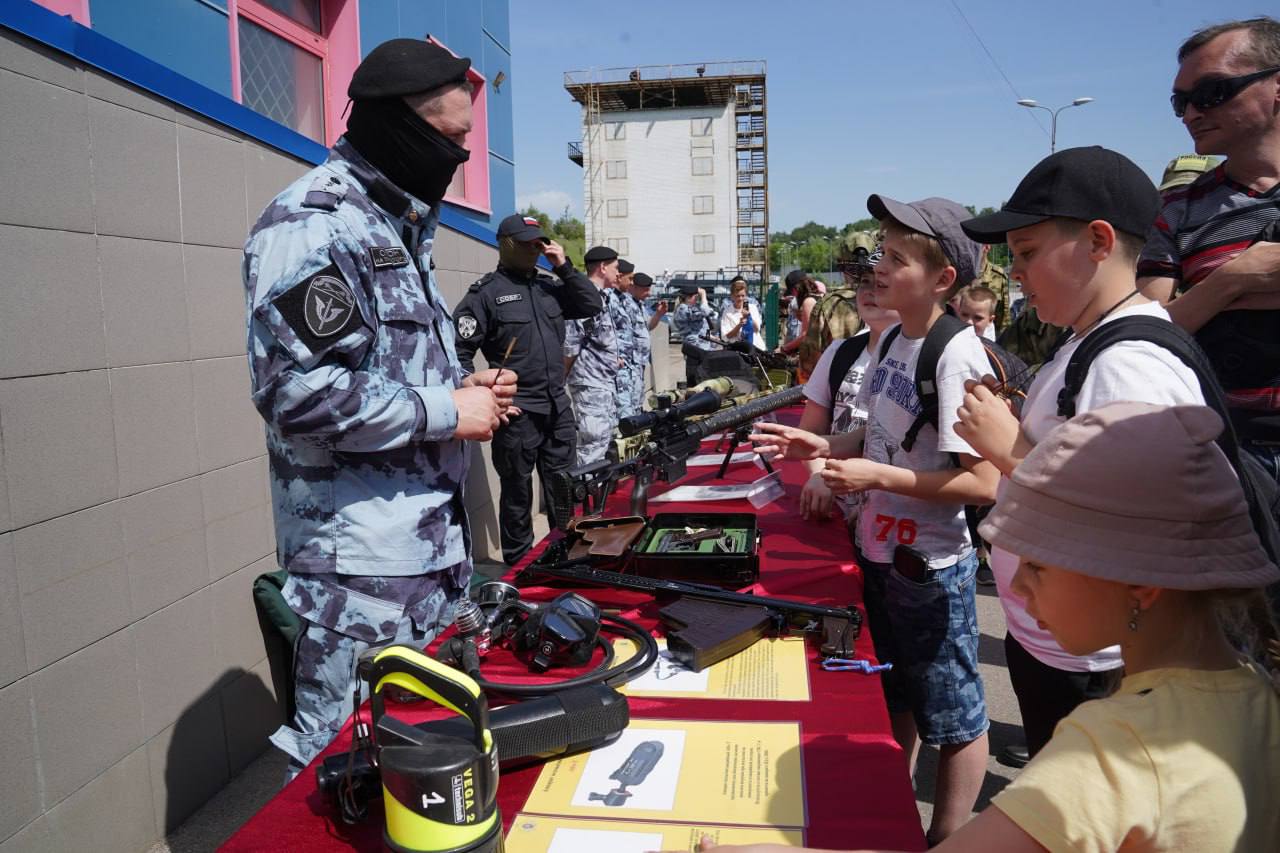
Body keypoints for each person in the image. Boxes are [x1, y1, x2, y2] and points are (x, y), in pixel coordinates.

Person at [667, 402, 1280, 853]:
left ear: (1140, 584)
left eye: (1037, 565)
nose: (1014, 587)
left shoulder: (1118, 746)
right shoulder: (1250, 690)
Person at [243, 39, 517, 776]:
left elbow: (394, 372)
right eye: (453, 138)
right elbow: (297, 394)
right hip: (360, 584)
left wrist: (469, 391)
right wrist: (445, 411)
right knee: (352, 780)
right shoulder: (315, 224)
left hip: (432, 570)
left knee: (431, 771)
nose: (461, 157)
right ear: (401, 126)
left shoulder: (399, 225)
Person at [754, 196, 997, 844]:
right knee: (898, 694)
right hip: (882, 554)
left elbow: (983, 480)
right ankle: (897, 806)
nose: (878, 269)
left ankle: (945, 837)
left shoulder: (955, 356)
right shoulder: (894, 338)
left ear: (943, 279)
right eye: (880, 254)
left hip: (930, 568)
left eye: (896, 258)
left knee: (956, 717)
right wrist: (827, 447)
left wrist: (877, 477)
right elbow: (879, 429)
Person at [957, 146, 1206, 762]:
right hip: (1059, 639)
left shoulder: (1128, 364)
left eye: (1027, 253)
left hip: (1094, 656)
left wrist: (1008, 446)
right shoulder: (1091, 343)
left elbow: (1131, 520)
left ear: (1098, 241)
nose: (1015, 274)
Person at [1138, 16, 1280, 478]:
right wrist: (1234, 281)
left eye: (1211, 92)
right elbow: (1146, 331)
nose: (1190, 113)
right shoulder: (1177, 208)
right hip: (1229, 454)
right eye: (1180, 101)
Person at [452, 214, 602, 565]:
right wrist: (487, 398)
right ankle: (520, 569)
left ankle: (566, 558)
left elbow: (591, 304)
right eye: (525, 243)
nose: (533, 250)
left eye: (537, 243)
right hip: (518, 413)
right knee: (518, 496)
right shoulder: (486, 294)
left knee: (564, 489)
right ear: (505, 244)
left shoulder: (549, 286)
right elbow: (457, 351)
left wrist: (564, 267)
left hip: (556, 408)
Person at [796, 271, 899, 525]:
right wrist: (820, 476)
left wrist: (876, 504)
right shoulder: (839, 351)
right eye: (865, 281)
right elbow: (812, 431)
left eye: (882, 283)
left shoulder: (924, 360)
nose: (870, 291)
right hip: (837, 514)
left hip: (894, 521)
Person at [565, 245, 621, 465]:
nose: (619, 273)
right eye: (615, 267)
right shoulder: (584, 298)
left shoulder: (601, 297)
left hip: (603, 383)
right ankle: (586, 496)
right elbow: (571, 343)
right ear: (602, 267)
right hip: (590, 385)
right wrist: (563, 376)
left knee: (603, 443)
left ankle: (598, 494)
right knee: (592, 447)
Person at [628, 272, 665, 409]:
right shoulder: (626, 304)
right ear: (634, 287)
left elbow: (647, 326)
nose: (649, 293)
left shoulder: (640, 305)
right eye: (645, 289)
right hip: (629, 363)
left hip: (640, 362)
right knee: (628, 402)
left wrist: (659, 315)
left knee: (637, 399)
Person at [611, 259, 641, 419]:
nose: (631, 283)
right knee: (622, 415)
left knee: (632, 409)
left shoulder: (623, 299)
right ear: (619, 276)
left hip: (629, 364)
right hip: (616, 367)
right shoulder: (608, 298)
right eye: (629, 279)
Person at [673, 284, 719, 385]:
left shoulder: (691, 308)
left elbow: (698, 328)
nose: (697, 300)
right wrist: (703, 296)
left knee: (705, 379)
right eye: (696, 297)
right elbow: (706, 311)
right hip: (695, 350)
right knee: (696, 382)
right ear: (690, 297)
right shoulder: (683, 309)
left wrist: (710, 337)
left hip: (702, 349)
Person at [720, 278, 766, 350]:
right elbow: (726, 337)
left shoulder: (752, 308)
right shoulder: (727, 312)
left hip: (756, 348)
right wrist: (739, 325)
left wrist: (749, 317)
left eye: (743, 295)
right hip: (738, 350)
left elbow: (757, 329)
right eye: (737, 296)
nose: (741, 298)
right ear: (732, 296)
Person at [779, 270, 818, 354]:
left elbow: (805, 334)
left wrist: (784, 348)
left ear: (796, 288)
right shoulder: (814, 299)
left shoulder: (807, 302)